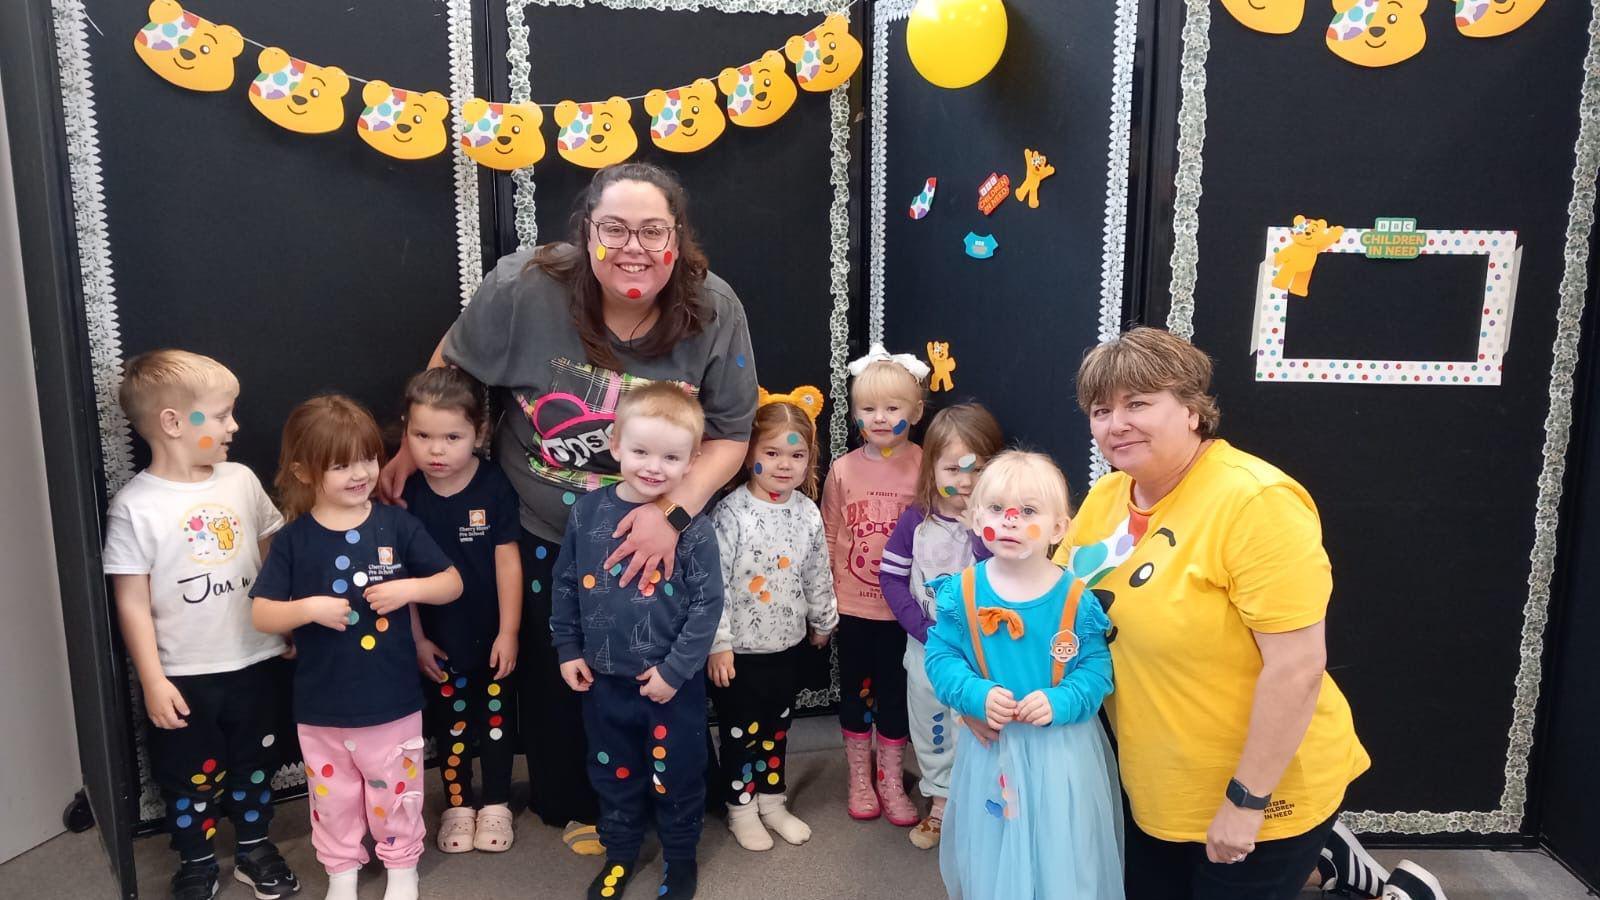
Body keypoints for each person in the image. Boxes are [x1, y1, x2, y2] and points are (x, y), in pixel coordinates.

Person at [378, 162, 758, 856]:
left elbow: (733, 436)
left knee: (658, 673)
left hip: (653, 531)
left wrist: (670, 516)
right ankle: (576, 801)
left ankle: (667, 803)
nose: (634, 247)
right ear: (587, 233)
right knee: (562, 681)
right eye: (615, 228)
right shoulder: (523, 287)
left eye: (653, 230)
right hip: (541, 523)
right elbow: (453, 366)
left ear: (677, 239)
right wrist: (413, 445)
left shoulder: (714, 308)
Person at [1054, 327, 1385, 900]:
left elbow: (1297, 667)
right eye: (1101, 410)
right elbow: (1052, 606)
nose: (1116, 423)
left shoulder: (1255, 502)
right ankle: (1336, 865)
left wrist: (1246, 802)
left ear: (1191, 411)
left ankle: (1360, 871)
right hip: (1156, 786)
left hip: (1261, 793)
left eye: (1138, 403)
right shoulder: (1109, 497)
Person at [102, 350, 301, 900]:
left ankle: (255, 847)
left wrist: (285, 624)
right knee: (189, 774)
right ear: (174, 422)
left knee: (255, 761)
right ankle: (196, 860)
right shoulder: (136, 507)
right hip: (185, 674)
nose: (234, 426)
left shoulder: (240, 481)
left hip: (255, 658)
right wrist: (152, 679)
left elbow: (270, 556)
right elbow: (132, 602)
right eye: (220, 415)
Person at [251, 395, 462, 900]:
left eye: (368, 458)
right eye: (341, 465)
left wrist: (409, 589)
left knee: (396, 790)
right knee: (332, 798)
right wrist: (307, 609)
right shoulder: (294, 541)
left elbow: (451, 583)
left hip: (391, 701)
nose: (361, 473)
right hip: (321, 707)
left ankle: (402, 867)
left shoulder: (397, 525)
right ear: (304, 471)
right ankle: (341, 871)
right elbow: (262, 614)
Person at [551, 383, 725, 900]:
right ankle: (620, 853)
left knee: (678, 776)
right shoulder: (586, 513)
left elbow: (708, 606)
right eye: (642, 451)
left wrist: (675, 672)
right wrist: (567, 648)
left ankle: (680, 859)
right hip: (604, 683)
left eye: (671, 457)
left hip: (671, 688)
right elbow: (566, 584)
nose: (654, 467)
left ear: (692, 461)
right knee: (613, 773)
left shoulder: (693, 528)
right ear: (615, 444)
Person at [924, 450, 1123, 899]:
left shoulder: (1075, 599)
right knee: (994, 849)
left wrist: (1062, 700)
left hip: (1060, 753)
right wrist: (973, 693)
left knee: (1061, 851)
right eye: (997, 509)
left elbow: (1096, 668)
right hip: (991, 749)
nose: (1010, 522)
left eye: (1028, 511)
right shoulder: (963, 592)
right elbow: (941, 657)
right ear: (976, 518)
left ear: (1058, 528)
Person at [397, 368, 523, 853]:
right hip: (438, 639)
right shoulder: (407, 495)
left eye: (452, 437)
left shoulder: (494, 485)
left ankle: (496, 803)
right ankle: (457, 805)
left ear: (479, 433)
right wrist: (416, 639)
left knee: (496, 721)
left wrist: (508, 631)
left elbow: (507, 561)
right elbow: (401, 577)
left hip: (491, 634)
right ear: (406, 431)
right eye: (422, 436)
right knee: (450, 725)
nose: (437, 450)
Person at [706, 395, 838, 851]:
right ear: (749, 456)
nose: (785, 464)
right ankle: (741, 809)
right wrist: (718, 643)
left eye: (797, 455)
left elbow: (817, 572)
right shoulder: (731, 514)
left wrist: (823, 620)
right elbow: (715, 585)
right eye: (772, 452)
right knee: (741, 734)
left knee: (777, 729)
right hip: (739, 654)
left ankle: (772, 801)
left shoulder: (806, 512)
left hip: (786, 646)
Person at [880, 402, 1003, 849]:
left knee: (974, 728)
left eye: (977, 469)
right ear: (931, 468)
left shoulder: (998, 524)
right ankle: (940, 803)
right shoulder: (916, 520)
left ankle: (978, 806)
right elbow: (892, 577)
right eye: (953, 469)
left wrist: (979, 529)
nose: (965, 482)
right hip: (928, 649)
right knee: (932, 727)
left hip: (980, 653)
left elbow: (1005, 578)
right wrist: (922, 628)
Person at [821, 344, 928, 825]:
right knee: (856, 693)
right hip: (854, 609)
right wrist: (825, 606)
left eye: (892, 408)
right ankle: (859, 777)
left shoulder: (926, 467)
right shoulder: (843, 470)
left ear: (916, 412)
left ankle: (890, 778)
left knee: (897, 694)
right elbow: (829, 534)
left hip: (906, 612)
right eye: (867, 409)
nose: (879, 418)